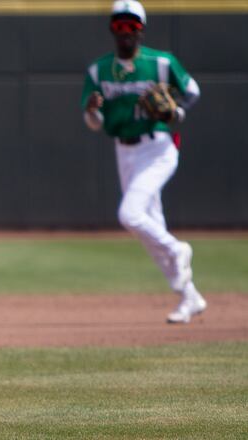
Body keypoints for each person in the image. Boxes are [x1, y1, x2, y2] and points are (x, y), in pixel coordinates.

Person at [81, 0, 205, 324]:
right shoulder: (98, 71)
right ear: (112, 29)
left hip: (158, 148)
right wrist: (94, 110)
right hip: (124, 150)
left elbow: (192, 91)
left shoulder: (161, 63)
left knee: (130, 214)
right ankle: (188, 296)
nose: (125, 32)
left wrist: (175, 111)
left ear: (141, 30)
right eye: (120, 25)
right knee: (150, 228)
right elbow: (93, 122)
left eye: (131, 26)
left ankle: (178, 249)